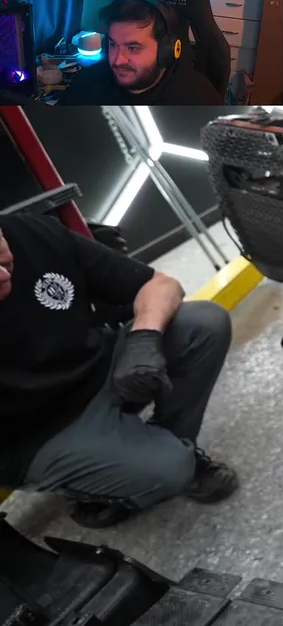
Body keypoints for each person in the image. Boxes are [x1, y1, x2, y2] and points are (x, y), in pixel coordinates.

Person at [0, 213, 239, 529]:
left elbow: (160, 284)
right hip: (36, 431)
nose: (2, 273)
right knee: (169, 469)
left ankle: (167, 443)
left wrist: (144, 339)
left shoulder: (30, 231)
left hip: (97, 368)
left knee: (204, 323)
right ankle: (96, 488)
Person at [55, 0, 222, 106]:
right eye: (113, 44)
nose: (117, 60)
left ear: (166, 50)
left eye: (133, 48)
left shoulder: (199, 100)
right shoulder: (87, 83)